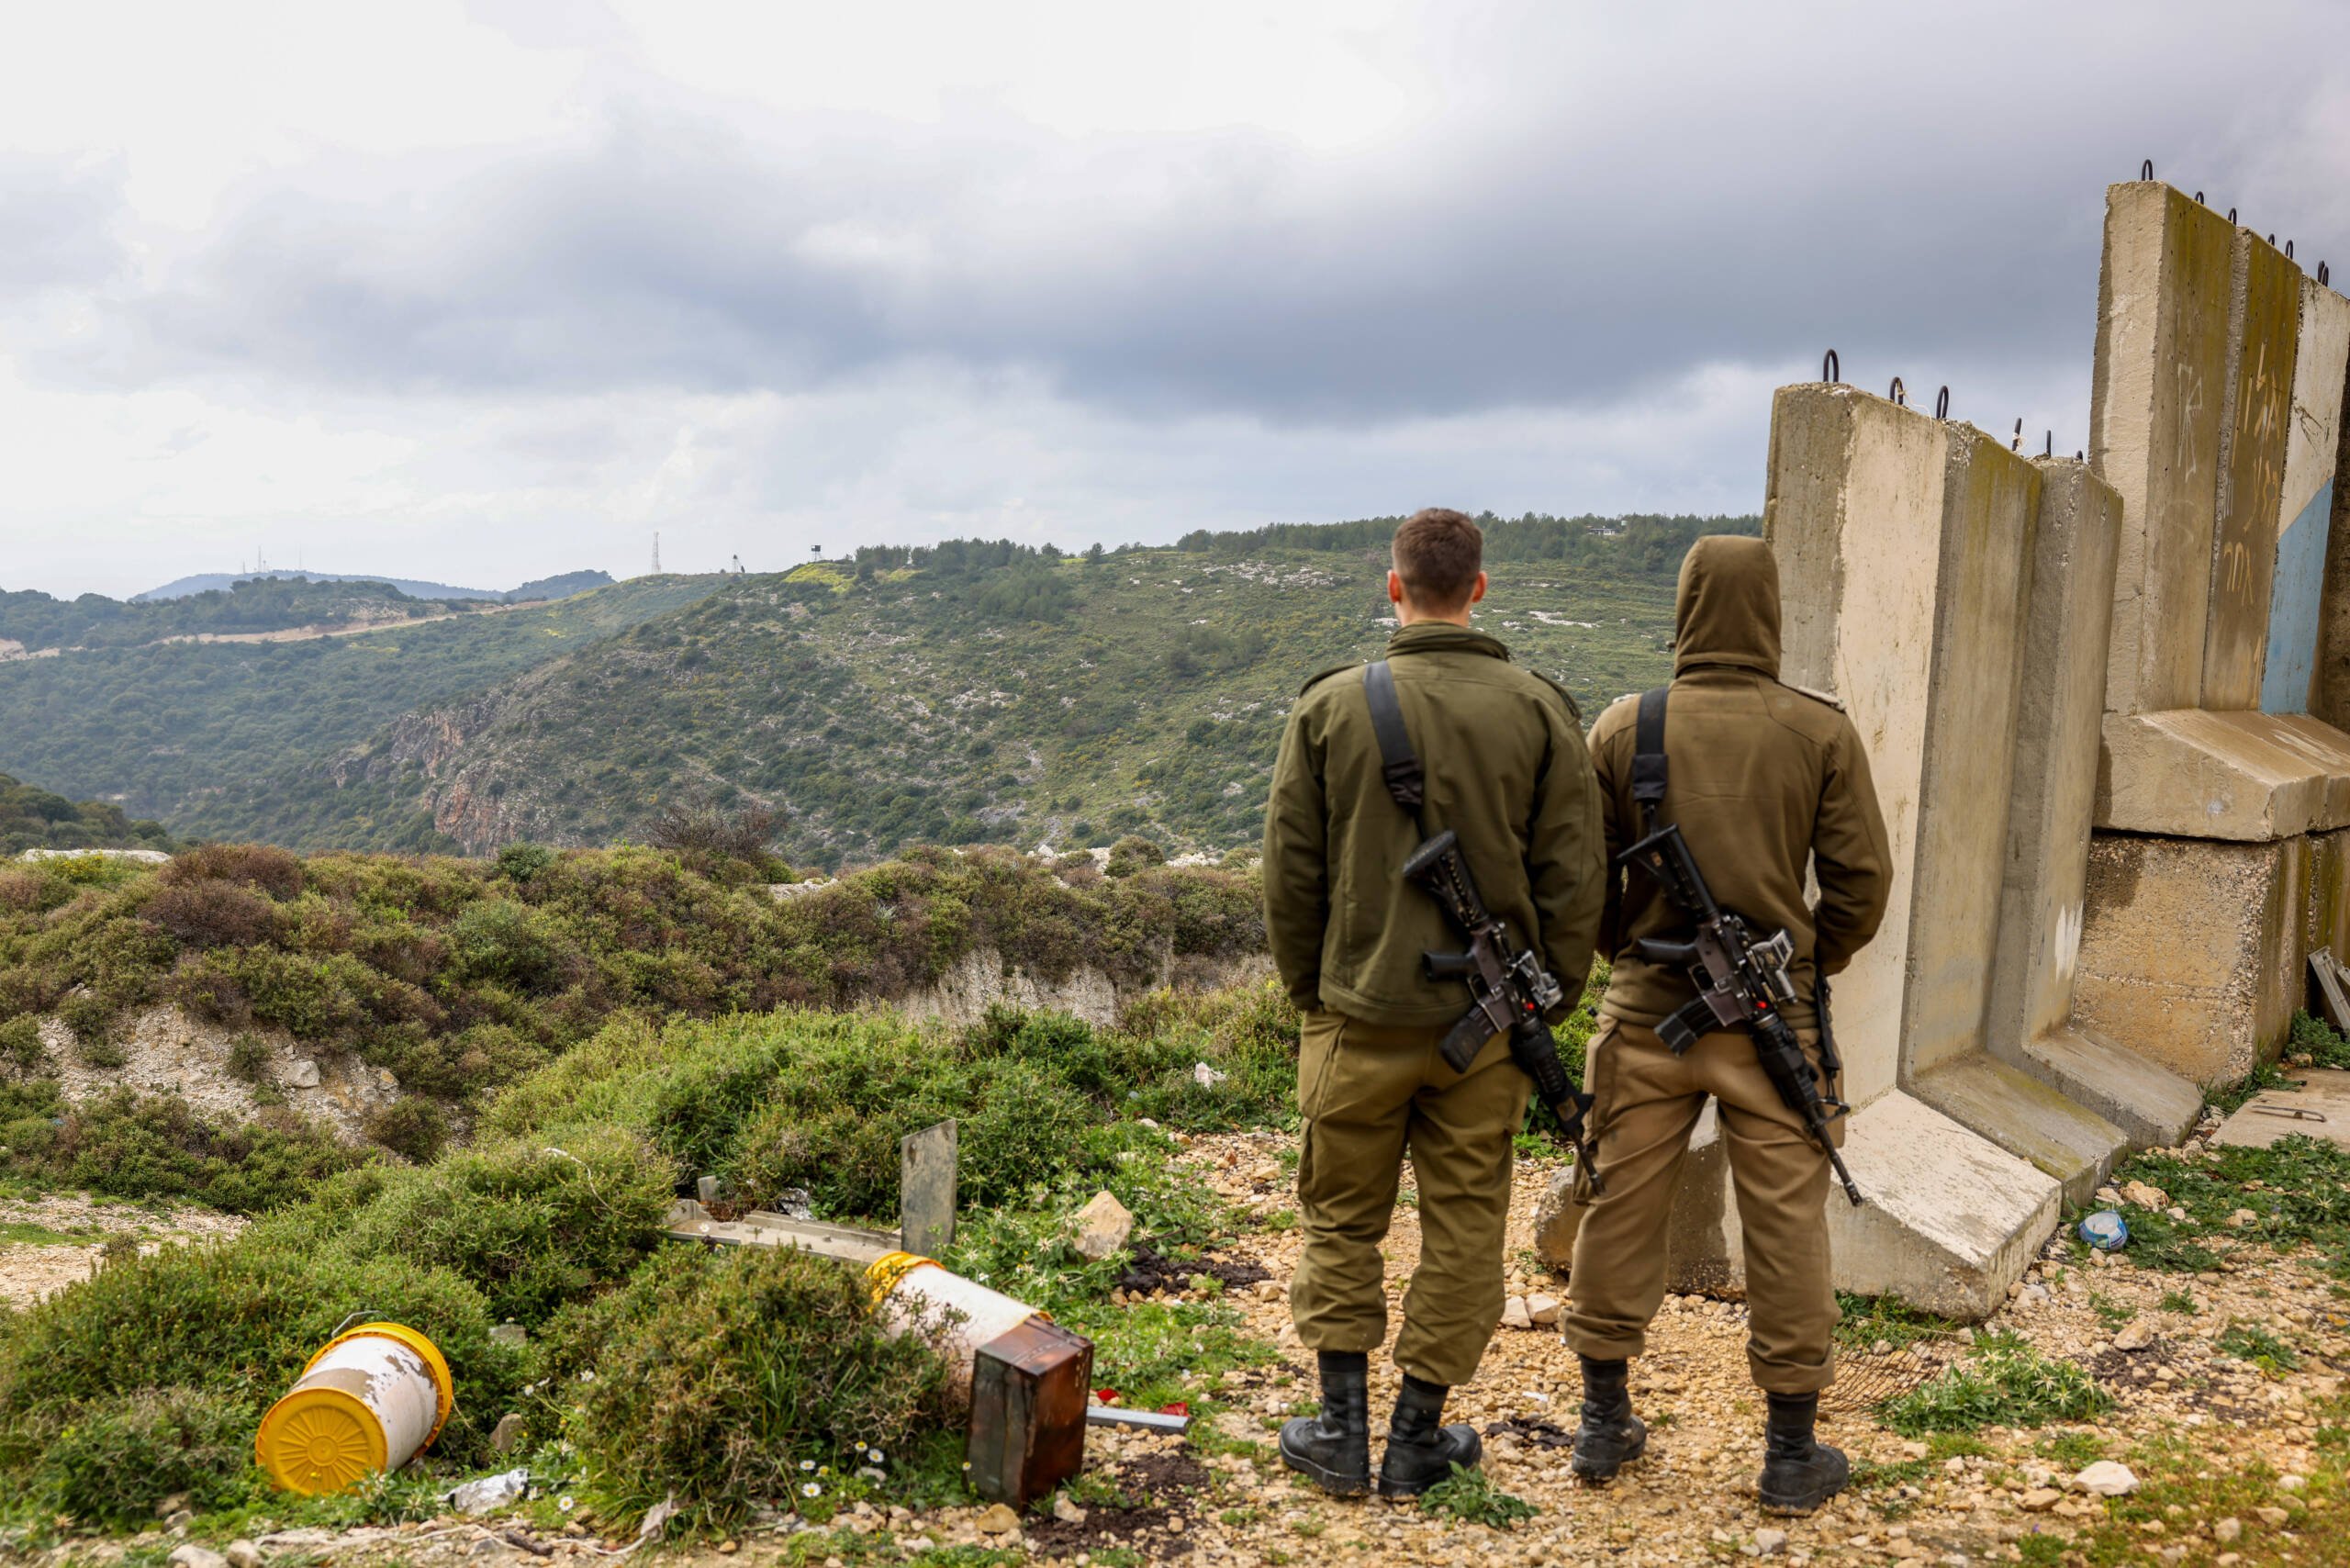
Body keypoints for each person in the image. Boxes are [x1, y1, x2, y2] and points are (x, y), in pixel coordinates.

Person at [1261, 507, 1606, 1498]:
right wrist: (1547, 1002)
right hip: (1489, 1037)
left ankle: (1337, 1432)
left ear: (1395, 585)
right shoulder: (1540, 709)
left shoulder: (1328, 708)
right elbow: (1572, 883)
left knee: (1338, 1220)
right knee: (1464, 1228)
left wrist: (1314, 999)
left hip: (1357, 1017)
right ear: (1481, 588)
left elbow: (1289, 876)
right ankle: (1416, 1437)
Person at [1560, 534, 1890, 1515]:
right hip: (1770, 1019)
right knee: (1786, 1219)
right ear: (1771, 614)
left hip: (1644, 1011)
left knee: (1616, 1201)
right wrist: (1805, 962)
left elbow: (1584, 884)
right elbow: (1860, 884)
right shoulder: (1818, 733)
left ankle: (1600, 1420)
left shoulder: (1624, 728)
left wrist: (1625, 949)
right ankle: (1790, 1452)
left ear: (1684, 610)